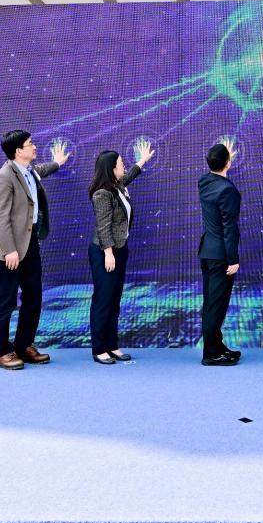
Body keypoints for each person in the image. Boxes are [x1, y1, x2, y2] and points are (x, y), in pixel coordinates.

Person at [0, 131, 69, 371]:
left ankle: (24, 345)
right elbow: (0, 218)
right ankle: (3, 351)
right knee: (5, 301)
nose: (35, 147)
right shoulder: (3, 178)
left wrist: (57, 163)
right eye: (30, 144)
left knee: (33, 297)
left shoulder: (29, 171)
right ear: (18, 151)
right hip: (10, 249)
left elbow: (41, 170)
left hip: (31, 243)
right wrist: (9, 250)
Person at [88, 139, 154, 365]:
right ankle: (99, 348)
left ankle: (112, 344)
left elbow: (130, 175)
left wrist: (142, 161)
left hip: (120, 249)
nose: (123, 165)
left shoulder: (117, 186)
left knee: (114, 299)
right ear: (111, 168)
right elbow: (103, 225)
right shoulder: (102, 194)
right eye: (120, 163)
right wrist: (108, 253)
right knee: (103, 299)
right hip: (105, 253)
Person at [198, 141, 242, 366]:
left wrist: (223, 157)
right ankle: (211, 353)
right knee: (216, 305)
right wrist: (233, 259)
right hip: (221, 256)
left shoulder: (204, 182)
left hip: (207, 252)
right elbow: (229, 228)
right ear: (228, 163)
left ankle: (216, 345)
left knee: (210, 303)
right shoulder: (228, 190)